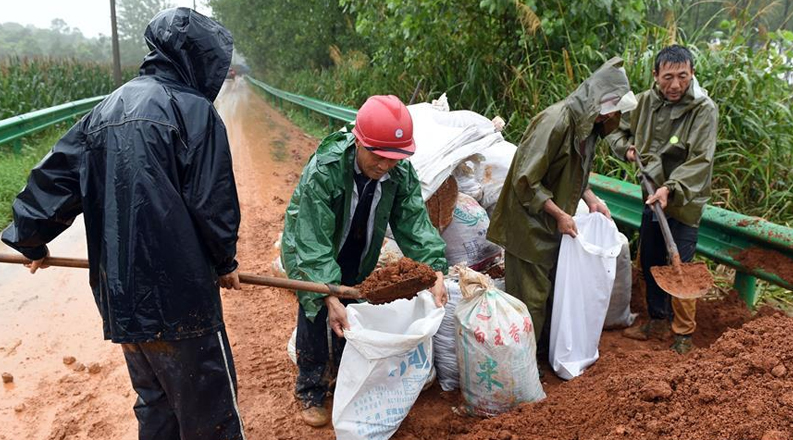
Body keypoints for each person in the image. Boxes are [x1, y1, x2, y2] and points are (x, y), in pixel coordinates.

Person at [1, 8, 246, 440]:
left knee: (157, 408)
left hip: (123, 302)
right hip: (183, 303)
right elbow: (213, 204)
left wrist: (30, 239)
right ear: (198, 59)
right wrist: (225, 262)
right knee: (211, 417)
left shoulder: (104, 111)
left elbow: (53, 179)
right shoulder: (195, 112)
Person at [280, 95, 448, 427]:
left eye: (394, 158)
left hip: (359, 247)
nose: (385, 165)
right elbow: (312, 242)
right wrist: (327, 294)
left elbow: (414, 223)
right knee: (316, 311)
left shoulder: (400, 175)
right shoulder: (326, 170)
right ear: (359, 141)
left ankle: (343, 376)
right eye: (378, 155)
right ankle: (311, 388)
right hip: (312, 245)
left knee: (353, 311)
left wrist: (435, 272)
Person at [487, 57, 637, 357]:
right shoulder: (555, 122)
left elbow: (574, 175)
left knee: (551, 295)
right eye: (615, 110)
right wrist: (559, 215)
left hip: (551, 222)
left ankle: (544, 355)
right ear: (601, 105)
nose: (616, 117)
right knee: (530, 299)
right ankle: (524, 365)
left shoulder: (588, 129)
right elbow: (525, 180)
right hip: (528, 225)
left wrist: (591, 199)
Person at [607, 45, 718, 354]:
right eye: (667, 77)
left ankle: (683, 336)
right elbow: (616, 131)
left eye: (683, 77)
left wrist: (671, 188)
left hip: (683, 201)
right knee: (652, 260)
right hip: (649, 197)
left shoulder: (703, 109)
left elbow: (700, 160)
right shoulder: (643, 103)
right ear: (655, 76)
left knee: (679, 264)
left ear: (692, 74)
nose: (675, 85)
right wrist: (626, 149)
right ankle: (656, 320)